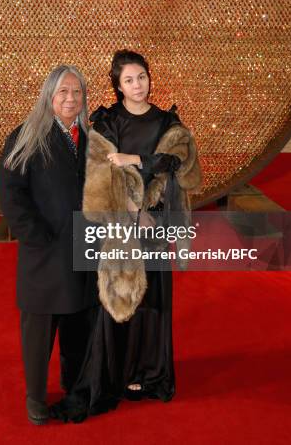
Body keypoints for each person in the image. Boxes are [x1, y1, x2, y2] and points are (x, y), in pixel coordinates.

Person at [50, 49, 202, 422]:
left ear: (151, 78)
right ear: (117, 86)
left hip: (157, 222)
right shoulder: (107, 120)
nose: (138, 85)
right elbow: (101, 172)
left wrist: (134, 161)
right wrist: (133, 213)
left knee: (153, 300)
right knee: (118, 298)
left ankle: (148, 374)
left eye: (142, 77)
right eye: (129, 80)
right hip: (122, 226)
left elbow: (176, 164)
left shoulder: (168, 121)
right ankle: (116, 374)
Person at [0, 65, 99, 425]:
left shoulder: (89, 138)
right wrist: (36, 237)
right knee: (39, 334)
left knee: (79, 327)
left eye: (77, 92)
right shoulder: (26, 136)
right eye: (63, 93)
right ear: (49, 96)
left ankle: (74, 390)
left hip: (83, 250)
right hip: (44, 254)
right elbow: (11, 195)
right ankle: (36, 399)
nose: (71, 99)